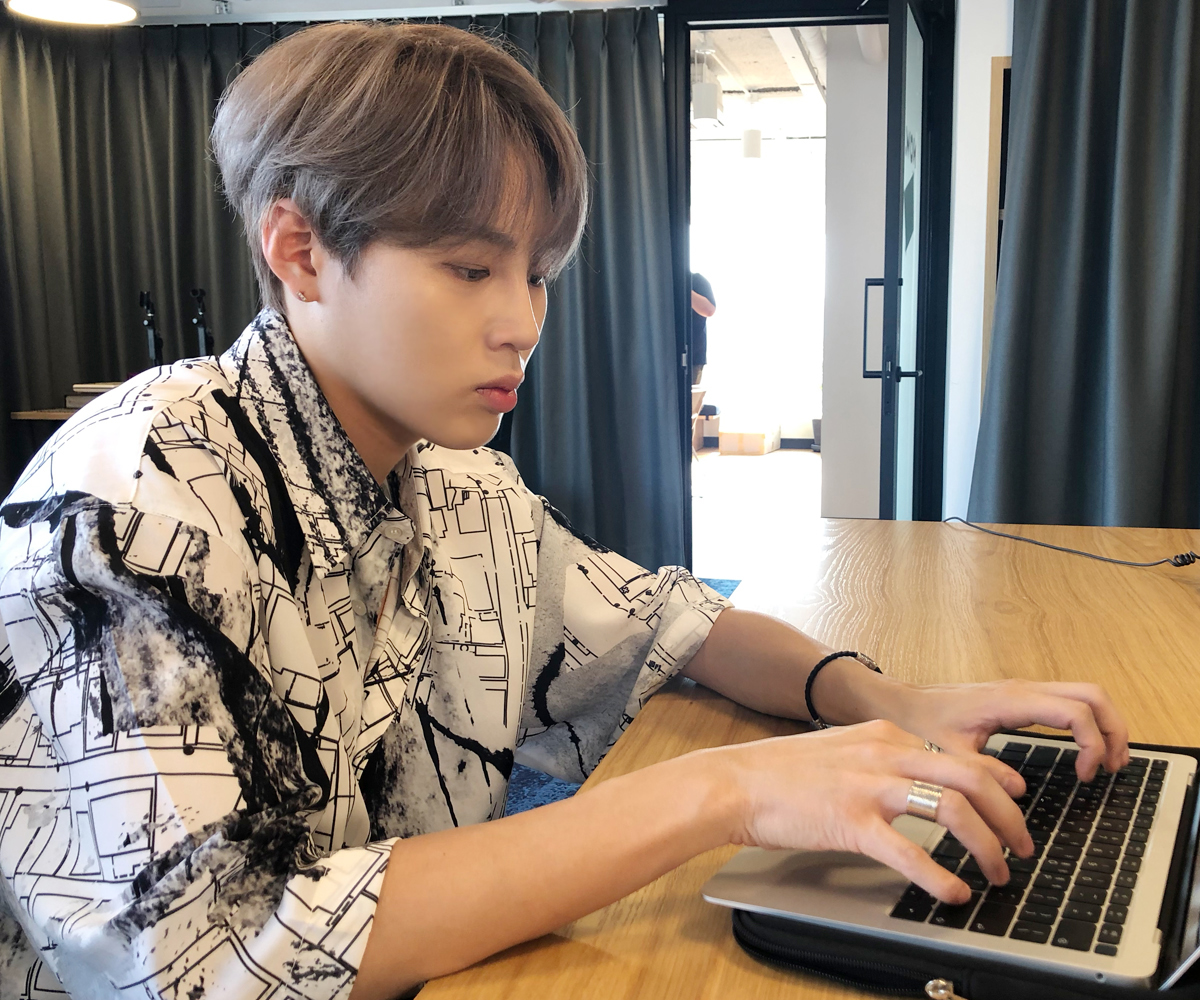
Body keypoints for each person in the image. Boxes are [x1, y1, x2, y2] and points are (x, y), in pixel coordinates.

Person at [0, 23, 1130, 1000]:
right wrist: (723, 792)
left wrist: (885, 697)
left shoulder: (463, 488)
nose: (523, 323)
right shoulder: (129, 505)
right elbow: (212, 957)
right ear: (301, 251)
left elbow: (671, 624)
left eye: (536, 273)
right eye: (469, 269)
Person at [689, 271, 715, 386]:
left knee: (690, 395)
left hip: (692, 357)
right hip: (661, 354)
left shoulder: (696, 280)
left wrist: (683, 287)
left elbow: (709, 310)